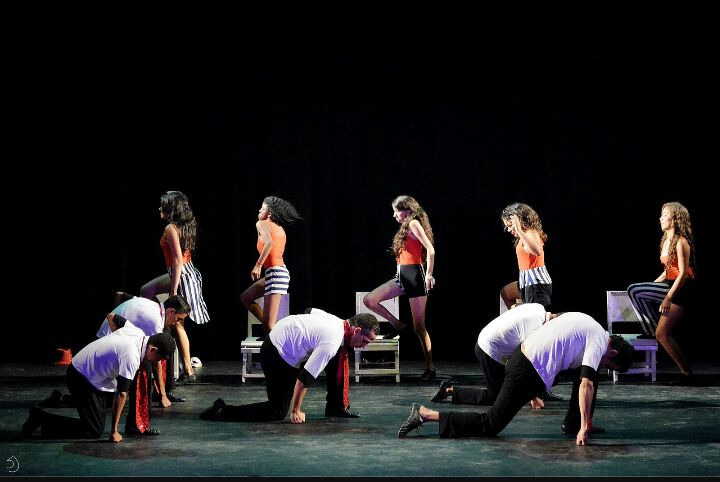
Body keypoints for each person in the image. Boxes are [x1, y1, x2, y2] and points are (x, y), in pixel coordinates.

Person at [398, 312, 635, 446]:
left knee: (589, 374)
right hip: (526, 370)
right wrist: (584, 428)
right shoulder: (599, 341)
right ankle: (426, 415)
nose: (604, 365)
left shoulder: (591, 324)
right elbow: (586, 384)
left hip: (526, 361)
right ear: (613, 352)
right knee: (490, 424)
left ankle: (573, 423)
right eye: (609, 364)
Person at [198, 309, 379, 423]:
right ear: (356, 330)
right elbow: (304, 378)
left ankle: (335, 406)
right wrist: (295, 410)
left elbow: (310, 311)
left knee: (339, 353)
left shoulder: (337, 321)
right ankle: (221, 410)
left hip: (281, 337)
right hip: (276, 354)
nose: (364, 346)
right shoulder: (331, 342)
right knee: (277, 412)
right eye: (365, 341)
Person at [22, 329, 175, 442]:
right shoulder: (132, 355)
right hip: (81, 377)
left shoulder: (138, 333)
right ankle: (40, 418)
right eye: (158, 359)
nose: (155, 362)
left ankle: (61, 399)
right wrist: (114, 431)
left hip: (93, 374)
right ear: (153, 349)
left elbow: (114, 319)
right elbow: (122, 394)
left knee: (102, 409)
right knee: (93, 430)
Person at [139, 190, 210, 384]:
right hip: (185, 272)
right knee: (146, 291)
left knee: (178, 323)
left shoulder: (171, 228)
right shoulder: (183, 225)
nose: (159, 208)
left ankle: (188, 370)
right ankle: (160, 323)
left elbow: (178, 260)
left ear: (171, 208)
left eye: (163, 205)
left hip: (182, 275)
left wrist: (173, 291)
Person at [363, 195, 437, 380]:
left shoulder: (413, 223)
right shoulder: (406, 226)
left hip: (415, 278)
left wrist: (429, 275)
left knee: (419, 328)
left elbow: (431, 250)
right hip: (401, 276)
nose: (394, 215)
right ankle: (397, 324)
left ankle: (430, 367)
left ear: (408, 211)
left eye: (397, 211)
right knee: (370, 300)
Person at [429, 303, 557, 408]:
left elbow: (515, 307)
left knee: (509, 388)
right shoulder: (535, 329)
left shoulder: (538, 307)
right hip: (489, 349)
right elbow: (526, 363)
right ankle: (449, 390)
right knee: (495, 398)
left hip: (490, 339)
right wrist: (534, 396)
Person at [627, 202, 698, 385]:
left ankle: (687, 374)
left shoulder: (681, 241)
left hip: (682, 289)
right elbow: (667, 272)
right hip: (670, 284)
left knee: (662, 333)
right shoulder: (665, 241)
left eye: (665, 215)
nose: (660, 218)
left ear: (674, 219)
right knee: (660, 332)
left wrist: (667, 298)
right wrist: (650, 287)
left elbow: (683, 274)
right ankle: (686, 373)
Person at [97, 294, 192, 409]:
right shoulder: (155, 321)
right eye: (179, 319)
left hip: (111, 338)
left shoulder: (154, 306)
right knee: (146, 366)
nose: (177, 323)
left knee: (158, 349)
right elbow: (156, 361)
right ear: (171, 312)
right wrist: (162, 395)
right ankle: (139, 413)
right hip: (107, 343)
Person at [240, 196, 301, 337]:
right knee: (246, 297)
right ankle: (271, 327)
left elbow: (269, 244)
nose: (259, 210)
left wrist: (258, 265)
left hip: (276, 273)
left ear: (270, 213)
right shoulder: (280, 228)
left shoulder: (261, 223)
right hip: (277, 273)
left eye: (262, 208)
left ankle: (279, 344)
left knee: (269, 326)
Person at [499, 203, 552, 312]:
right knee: (506, 293)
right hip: (527, 283)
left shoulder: (530, 233)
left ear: (519, 220)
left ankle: (561, 317)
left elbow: (537, 251)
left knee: (537, 318)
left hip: (536, 284)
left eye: (510, 225)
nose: (508, 230)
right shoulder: (524, 235)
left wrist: (519, 230)